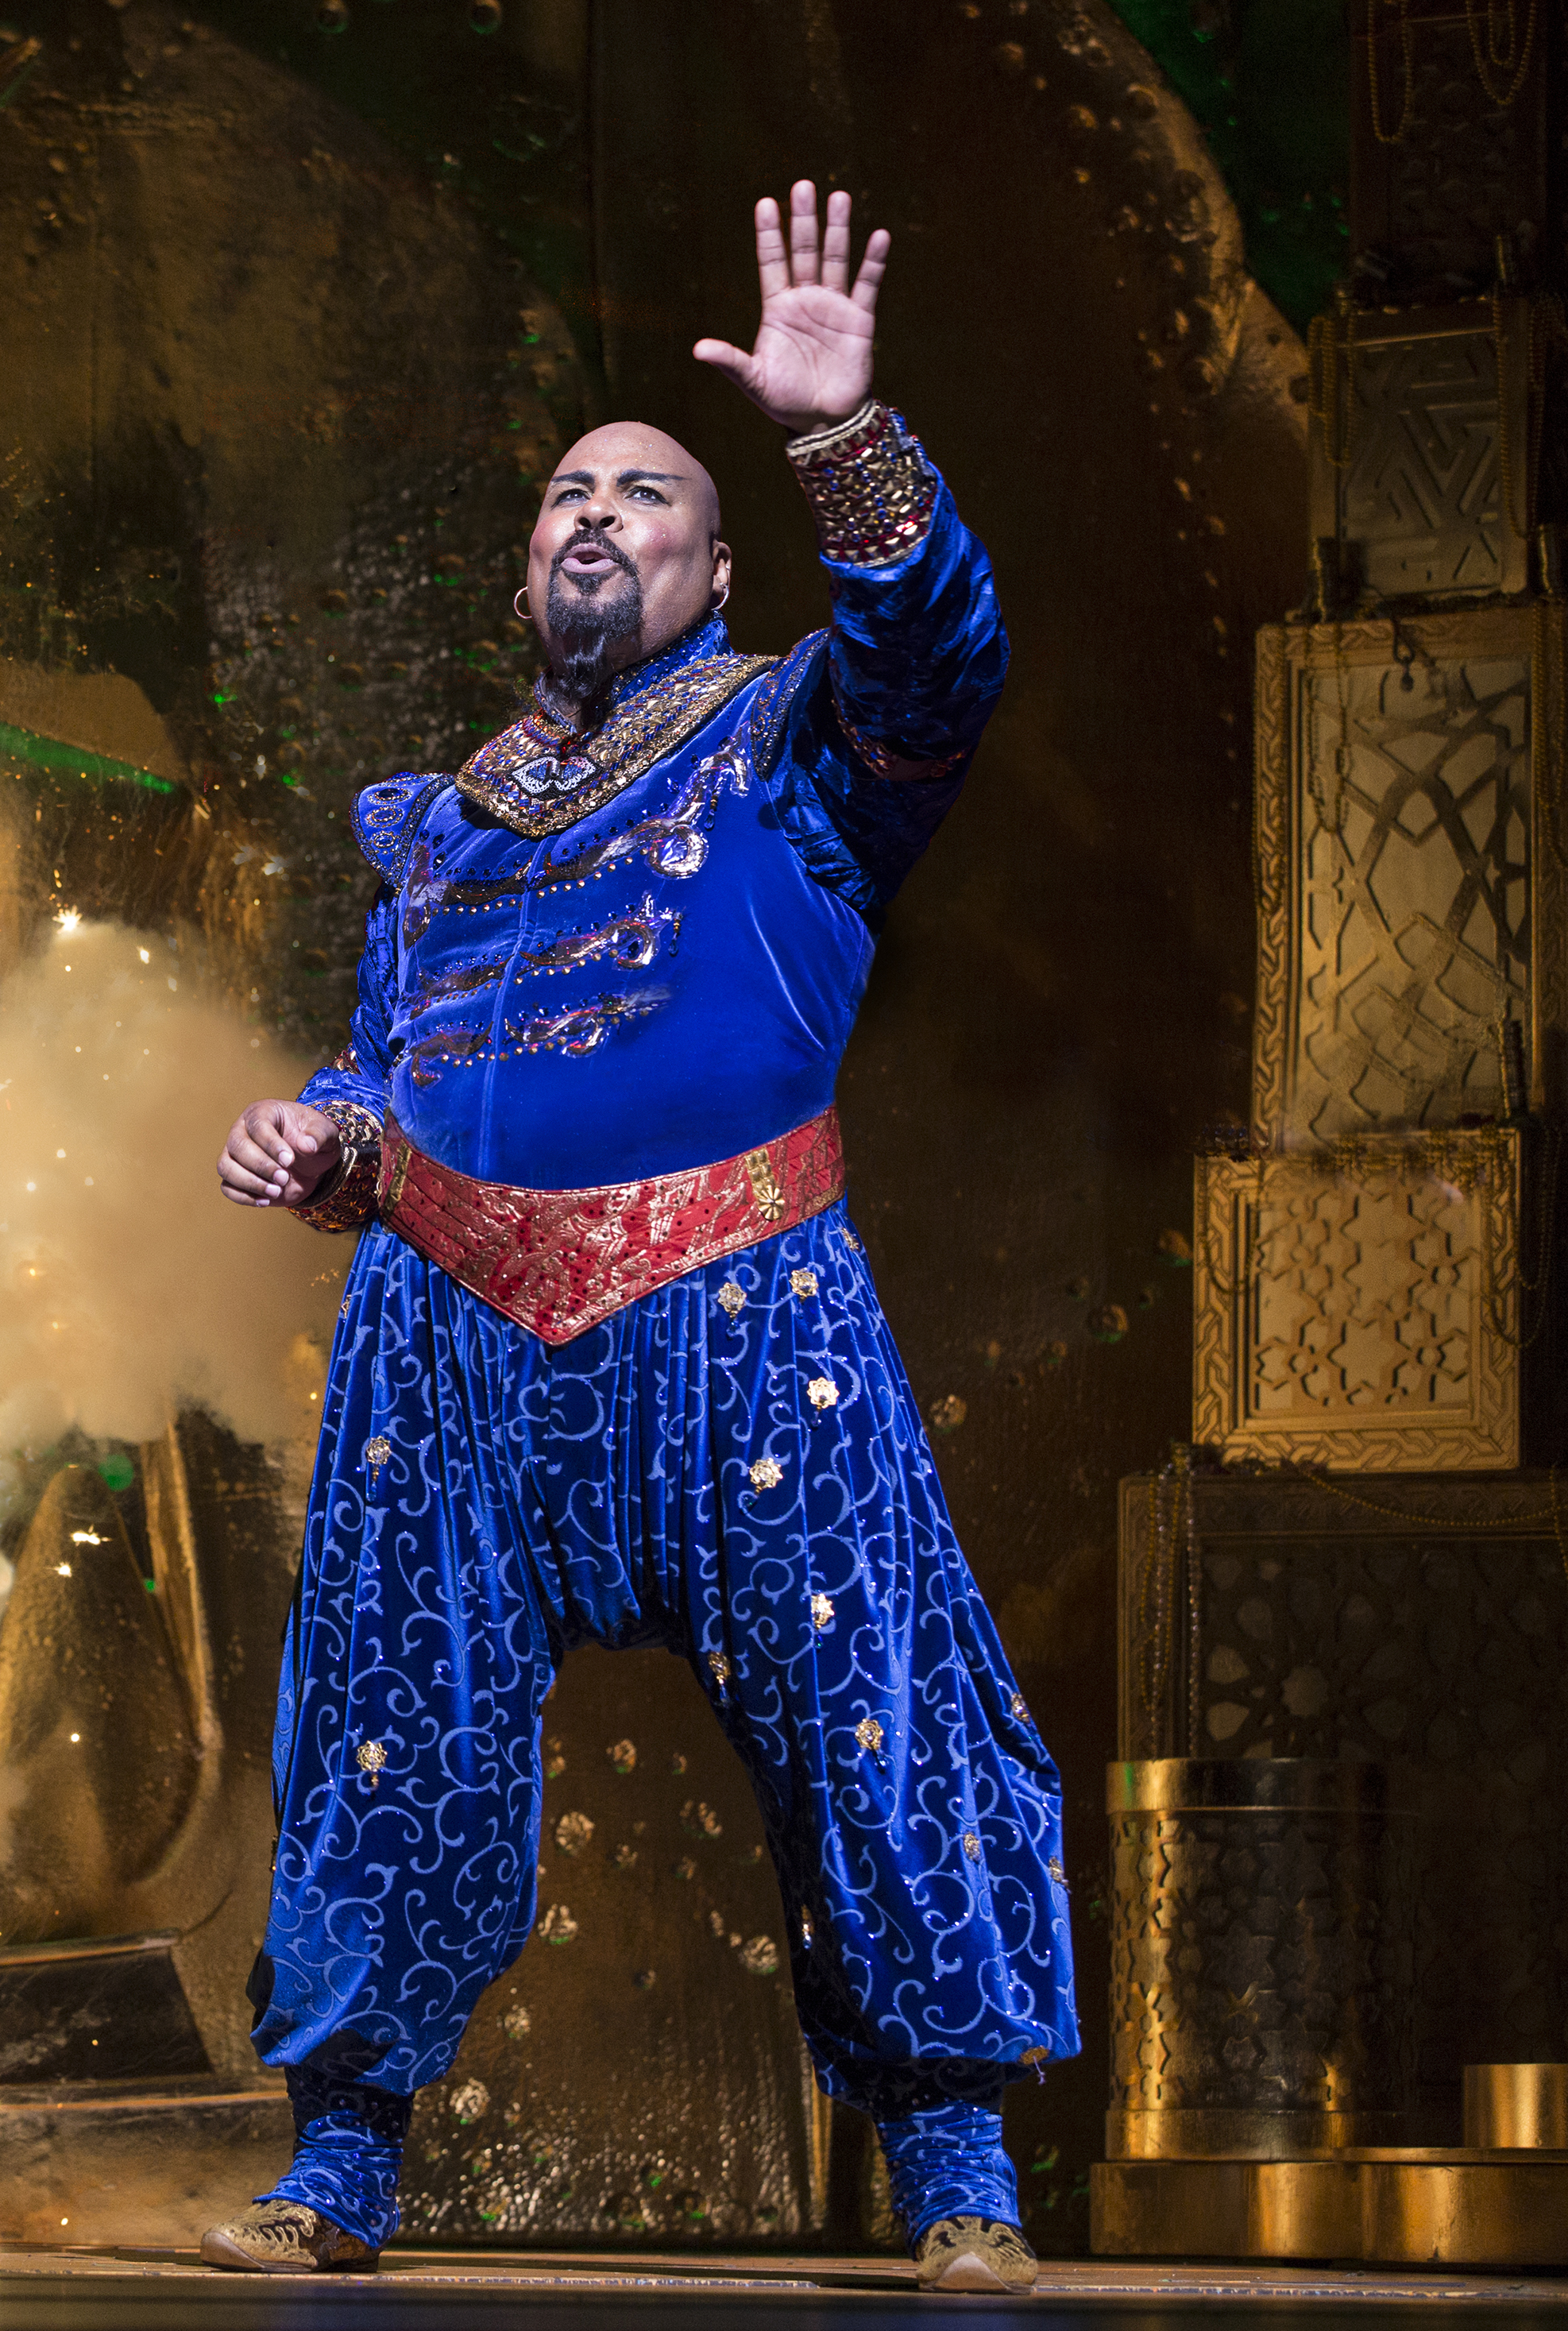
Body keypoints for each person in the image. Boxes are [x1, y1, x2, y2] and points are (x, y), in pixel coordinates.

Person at [201, 183, 1076, 2298]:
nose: (597, 514)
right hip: (453, 1322)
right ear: (527, 566)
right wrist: (328, 1138)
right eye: (567, 495)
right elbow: (390, 1062)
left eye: (646, 495)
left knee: (869, 1707)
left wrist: (832, 434)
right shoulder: (433, 830)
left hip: (740, 1294)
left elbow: (933, 658)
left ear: (710, 561)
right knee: (386, 1718)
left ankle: (957, 2175)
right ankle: (337, 2166)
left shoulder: (798, 749)